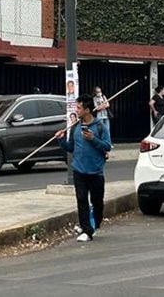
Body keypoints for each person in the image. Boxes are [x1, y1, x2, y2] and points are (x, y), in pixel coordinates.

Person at [54, 95, 112, 242]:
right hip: (79, 170)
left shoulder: (100, 127)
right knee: (81, 200)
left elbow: (106, 146)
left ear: (87, 110)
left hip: (96, 171)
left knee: (97, 202)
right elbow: (71, 147)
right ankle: (86, 229)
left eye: (79, 108)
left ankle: (95, 223)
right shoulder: (75, 127)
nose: (77, 111)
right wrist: (61, 139)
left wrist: (93, 139)